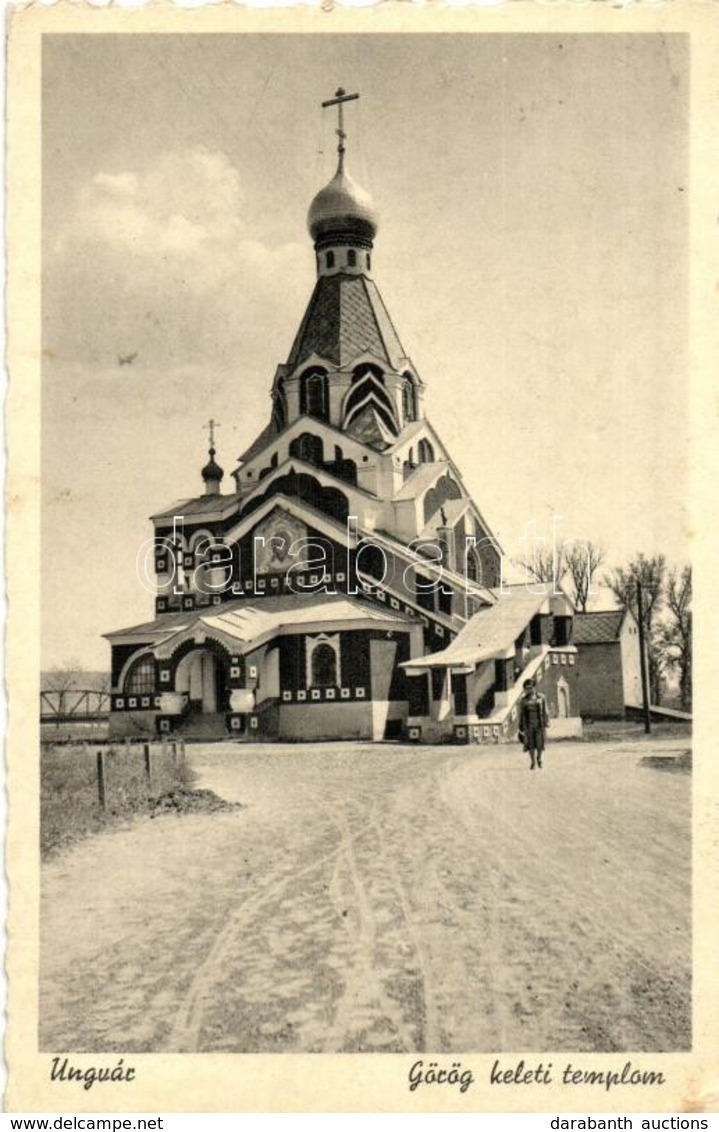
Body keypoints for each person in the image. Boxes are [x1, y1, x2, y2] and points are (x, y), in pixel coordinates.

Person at [518, 678, 549, 770]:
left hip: (539, 724)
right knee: (530, 745)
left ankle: (539, 758)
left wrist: (546, 721)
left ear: (534, 687)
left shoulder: (541, 698)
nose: (529, 690)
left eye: (531, 687)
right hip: (528, 725)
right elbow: (522, 714)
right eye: (527, 688)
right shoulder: (524, 700)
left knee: (540, 744)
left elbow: (545, 710)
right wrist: (521, 726)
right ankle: (533, 762)